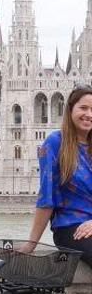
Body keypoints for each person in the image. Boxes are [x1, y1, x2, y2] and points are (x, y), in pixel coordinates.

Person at [26, 86, 92, 264]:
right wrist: (31, 243)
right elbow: (47, 197)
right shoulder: (55, 143)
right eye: (83, 108)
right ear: (70, 109)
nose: (89, 114)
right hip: (71, 227)